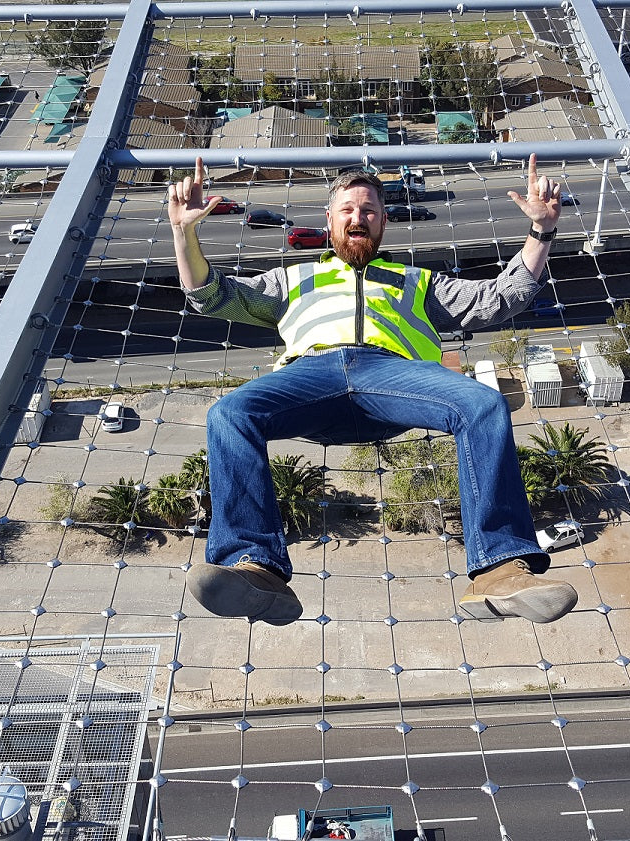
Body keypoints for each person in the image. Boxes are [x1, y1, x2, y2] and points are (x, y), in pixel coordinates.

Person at [167, 155, 578, 626]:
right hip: (312, 374)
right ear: (329, 220)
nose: (357, 218)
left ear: (383, 221)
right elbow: (212, 295)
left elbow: (498, 299)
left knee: (482, 403)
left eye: (368, 211)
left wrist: (541, 232)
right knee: (229, 414)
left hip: (393, 377)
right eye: (347, 210)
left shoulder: (416, 281)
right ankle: (256, 567)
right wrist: (184, 232)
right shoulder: (292, 279)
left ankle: (500, 569)